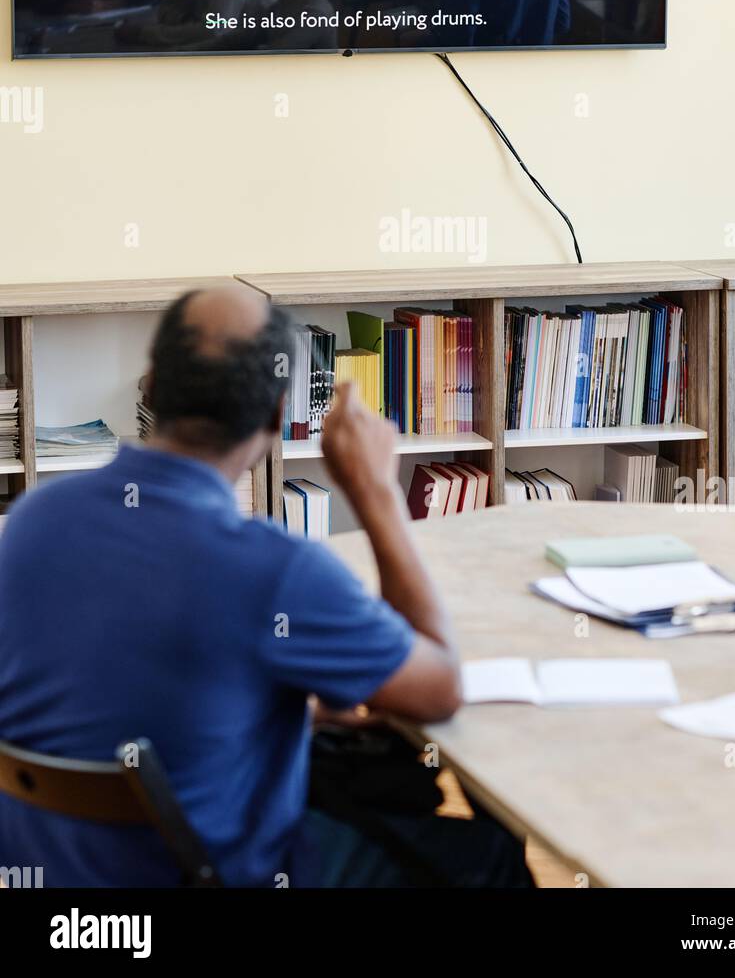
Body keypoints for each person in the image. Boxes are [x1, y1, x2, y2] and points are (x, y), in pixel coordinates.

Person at [0, 284, 518, 888]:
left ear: (150, 386)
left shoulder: (35, 520)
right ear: (278, 413)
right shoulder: (278, 571)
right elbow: (439, 689)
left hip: (56, 881)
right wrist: (376, 493)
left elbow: (120, 684)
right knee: (489, 852)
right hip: (210, 871)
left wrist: (291, 710)